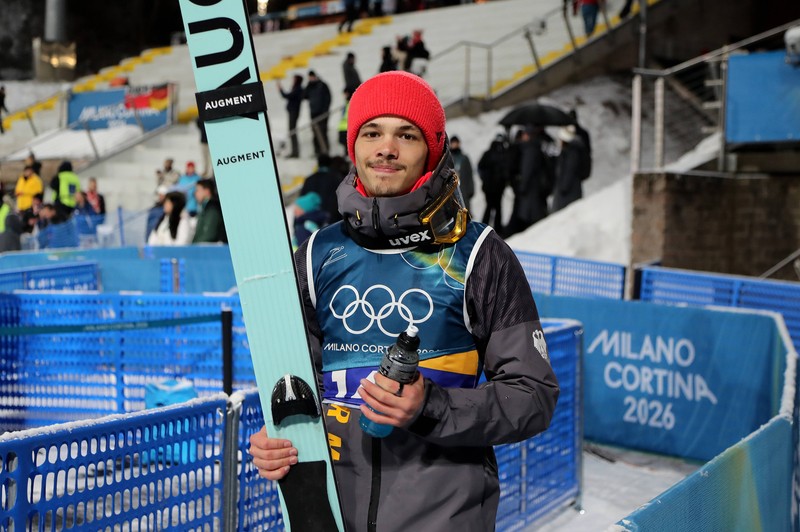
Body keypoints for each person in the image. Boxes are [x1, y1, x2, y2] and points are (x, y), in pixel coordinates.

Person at [248, 71, 559, 531]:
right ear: (354, 146)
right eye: (372, 132)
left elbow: (533, 395)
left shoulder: (479, 256)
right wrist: (277, 438)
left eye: (406, 135)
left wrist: (430, 408)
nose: (386, 148)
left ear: (432, 150)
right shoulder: (315, 255)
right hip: (331, 516)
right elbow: (297, 385)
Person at [504, 126, 553, 238]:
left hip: (531, 189)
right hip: (535, 188)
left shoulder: (530, 149)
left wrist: (522, 186)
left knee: (530, 216)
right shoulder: (536, 147)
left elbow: (527, 169)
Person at [477, 133, 513, 231]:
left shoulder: (490, 153)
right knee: (494, 206)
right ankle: (494, 228)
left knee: (492, 206)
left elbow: (480, 168)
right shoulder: (501, 154)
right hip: (494, 186)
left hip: (493, 186)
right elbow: (481, 168)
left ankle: (485, 227)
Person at [552, 125, 590, 212]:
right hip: (571, 190)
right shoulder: (573, 149)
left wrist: (563, 187)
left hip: (568, 193)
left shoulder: (572, 152)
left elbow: (569, 170)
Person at [300, 153, 344, 224]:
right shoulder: (336, 178)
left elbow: (301, 203)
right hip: (332, 221)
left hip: (311, 221)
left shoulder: (309, 180)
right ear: (330, 164)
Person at [304, 71, 332, 156]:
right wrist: (308, 85)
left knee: (323, 132)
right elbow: (304, 96)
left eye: (312, 77)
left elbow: (328, 98)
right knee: (315, 133)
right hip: (313, 113)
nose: (311, 79)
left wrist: (325, 111)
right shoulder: (309, 86)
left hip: (322, 113)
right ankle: (317, 151)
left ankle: (325, 151)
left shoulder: (322, 85)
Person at [192, 178, 227, 244]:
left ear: (207, 191)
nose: (195, 194)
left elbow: (209, 234)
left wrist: (194, 246)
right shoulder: (205, 207)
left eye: (197, 190)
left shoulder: (213, 208)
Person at [277, 74, 304, 158]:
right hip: (292, 112)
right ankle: (294, 152)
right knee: (292, 131)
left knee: (292, 131)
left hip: (294, 112)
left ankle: (295, 152)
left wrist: (280, 89)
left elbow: (287, 96)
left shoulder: (298, 89)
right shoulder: (297, 88)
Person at [448, 135, 474, 212]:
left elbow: (469, 174)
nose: (454, 145)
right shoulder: (447, 158)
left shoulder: (464, 158)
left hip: (463, 189)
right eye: (453, 143)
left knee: (464, 211)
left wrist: (471, 190)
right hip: (450, 191)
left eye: (456, 143)